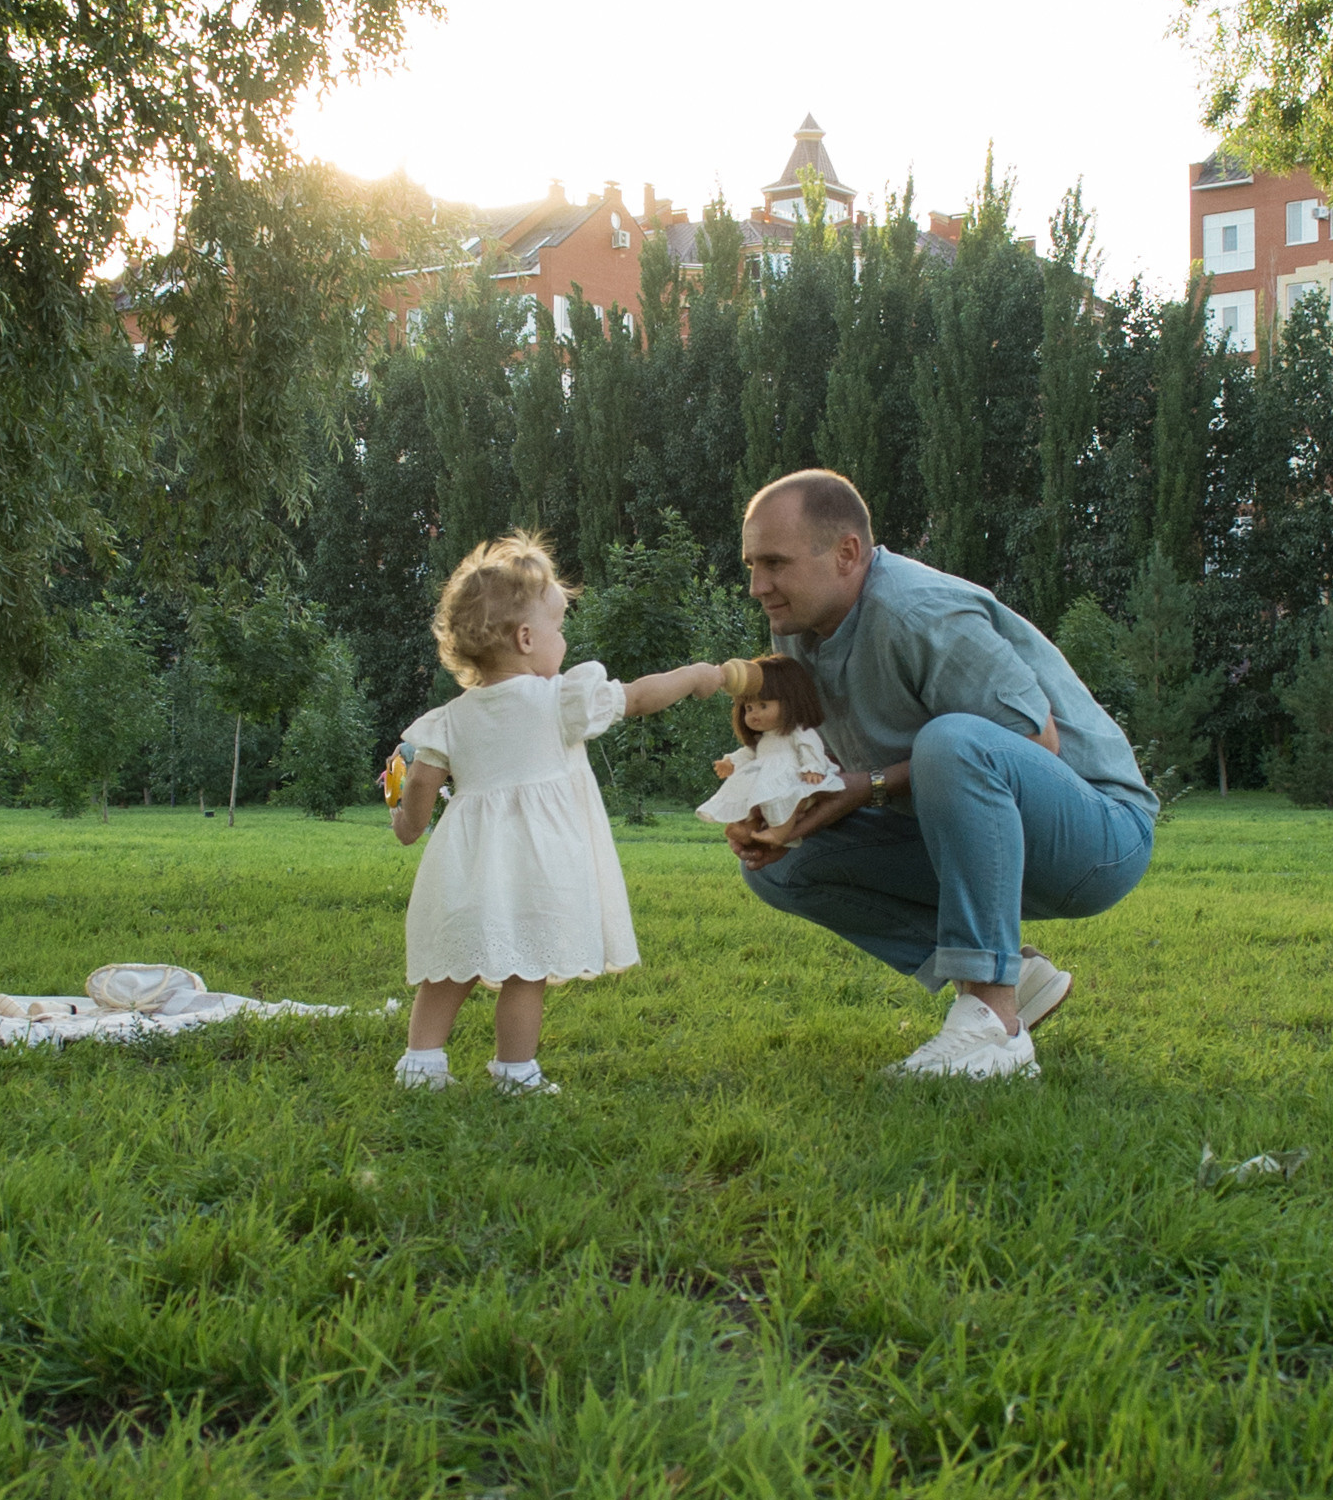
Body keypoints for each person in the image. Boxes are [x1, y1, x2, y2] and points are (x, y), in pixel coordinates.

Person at [724, 468, 1157, 1083]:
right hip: (967, 834)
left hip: (1096, 837)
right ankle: (1015, 975)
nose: (756, 585)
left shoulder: (917, 613)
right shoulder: (800, 627)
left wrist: (869, 788)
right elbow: (830, 752)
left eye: (773, 562)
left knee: (951, 742)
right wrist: (777, 804)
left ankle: (993, 1025)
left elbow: (1034, 742)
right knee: (783, 864)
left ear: (847, 553)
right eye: (750, 565)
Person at [392, 532, 731, 1093]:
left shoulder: (447, 718)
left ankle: (421, 1062)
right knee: (527, 968)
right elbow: (640, 696)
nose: (564, 641)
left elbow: (423, 782)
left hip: (467, 865)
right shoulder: (559, 701)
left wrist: (406, 826)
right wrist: (695, 676)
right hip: (537, 868)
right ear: (527, 638)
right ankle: (515, 1069)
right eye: (558, 628)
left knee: (450, 964)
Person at [695, 654, 843, 830]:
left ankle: (779, 833)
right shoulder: (762, 740)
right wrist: (731, 762)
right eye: (749, 708)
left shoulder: (798, 733)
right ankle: (749, 825)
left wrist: (812, 767)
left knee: (783, 802)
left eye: (763, 706)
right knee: (744, 794)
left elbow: (810, 747)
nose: (754, 714)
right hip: (762, 774)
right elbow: (749, 753)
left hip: (789, 775)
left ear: (792, 702)